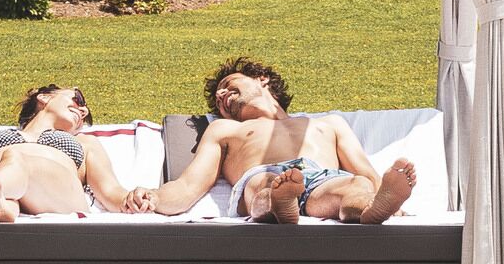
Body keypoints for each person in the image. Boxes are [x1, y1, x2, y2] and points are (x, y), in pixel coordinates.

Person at [149, 57, 418, 225]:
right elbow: (187, 187)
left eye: (229, 84)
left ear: (262, 80)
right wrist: (153, 198)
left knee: (355, 186)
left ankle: (370, 210)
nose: (221, 94)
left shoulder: (329, 124)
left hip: (322, 177)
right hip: (262, 176)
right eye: (219, 98)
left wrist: (386, 197)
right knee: (265, 186)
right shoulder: (224, 129)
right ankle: (278, 204)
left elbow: (365, 174)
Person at [0, 82, 147, 223]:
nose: (83, 110)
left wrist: (132, 198)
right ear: (44, 97)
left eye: (85, 112)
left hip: (55, 192)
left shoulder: (85, 142)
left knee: (12, 160)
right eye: (77, 99)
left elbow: (110, 191)